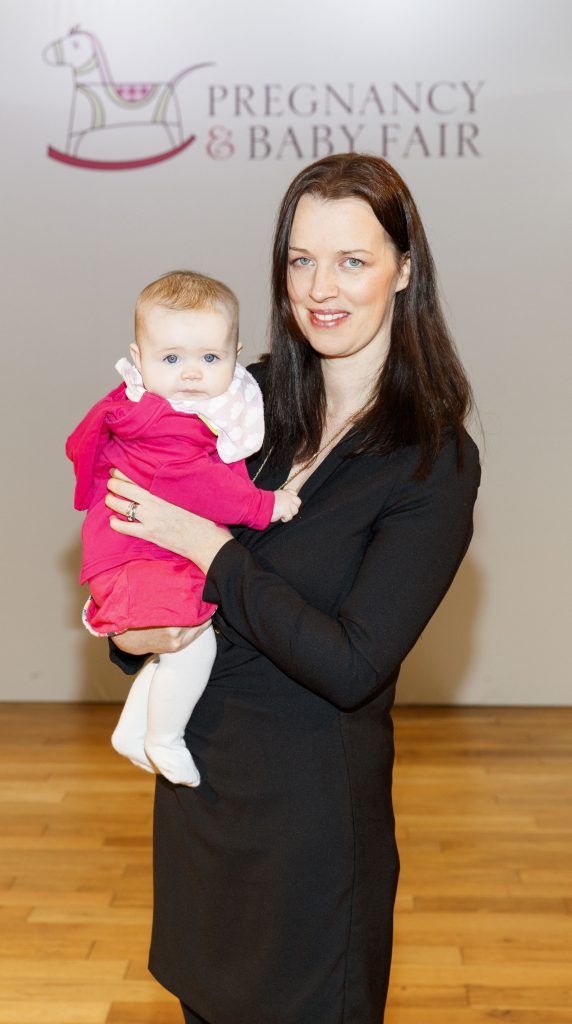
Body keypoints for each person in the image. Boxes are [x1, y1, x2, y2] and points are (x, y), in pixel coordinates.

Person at [104, 154, 481, 1024]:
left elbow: (352, 664)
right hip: (203, 802)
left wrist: (210, 552)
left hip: (310, 839)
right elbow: (147, 553)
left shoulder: (432, 461)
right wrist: (130, 632)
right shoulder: (239, 399)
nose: (322, 287)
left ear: (405, 269)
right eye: (301, 259)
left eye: (353, 260)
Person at [66, 271, 300, 787]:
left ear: (235, 353)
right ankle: (163, 737)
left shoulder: (185, 405)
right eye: (171, 359)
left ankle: (132, 731)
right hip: (139, 557)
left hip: (141, 553)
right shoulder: (160, 420)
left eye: (209, 358)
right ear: (139, 356)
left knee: (181, 639)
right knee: (195, 642)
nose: (191, 374)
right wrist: (265, 506)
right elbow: (202, 488)